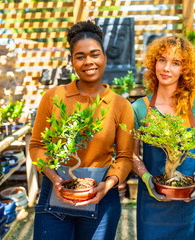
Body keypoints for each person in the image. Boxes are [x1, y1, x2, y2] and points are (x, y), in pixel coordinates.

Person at [29, 20, 134, 240]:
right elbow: (37, 146)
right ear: (72, 61)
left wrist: (108, 184)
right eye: (80, 56)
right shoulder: (53, 98)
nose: (89, 62)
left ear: (104, 57)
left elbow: (125, 157)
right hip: (56, 192)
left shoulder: (120, 105)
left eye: (95, 54)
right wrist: (54, 178)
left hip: (101, 194)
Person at [131, 35, 195, 240]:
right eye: (162, 60)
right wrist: (146, 178)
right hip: (152, 203)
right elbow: (131, 154)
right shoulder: (139, 108)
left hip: (187, 202)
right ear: (153, 63)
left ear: (185, 69)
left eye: (176, 62)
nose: (166, 68)